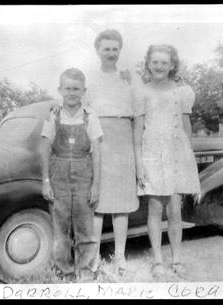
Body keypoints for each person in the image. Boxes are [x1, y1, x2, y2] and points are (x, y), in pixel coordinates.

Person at [133, 45, 201, 278]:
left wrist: (187, 161)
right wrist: (139, 164)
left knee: (174, 209)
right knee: (154, 207)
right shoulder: (141, 92)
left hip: (176, 154)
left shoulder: (182, 92)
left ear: (172, 65)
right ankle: (158, 261)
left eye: (164, 62)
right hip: (151, 153)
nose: (159, 66)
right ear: (148, 64)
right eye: (155, 62)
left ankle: (177, 259)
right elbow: (137, 129)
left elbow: (186, 127)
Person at [84, 29, 140, 275]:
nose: (111, 53)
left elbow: (138, 112)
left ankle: (119, 257)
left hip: (123, 138)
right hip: (99, 139)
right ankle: (94, 257)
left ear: (120, 51)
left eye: (115, 49)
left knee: (121, 204)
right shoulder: (90, 79)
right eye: (106, 49)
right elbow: (85, 113)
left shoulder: (129, 77)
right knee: (98, 202)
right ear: (97, 50)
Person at [41, 68, 103, 282]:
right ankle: (64, 271)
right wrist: (46, 181)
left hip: (83, 171)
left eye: (76, 89)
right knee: (60, 226)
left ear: (83, 91)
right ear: (60, 90)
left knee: (85, 224)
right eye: (67, 88)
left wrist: (96, 184)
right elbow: (44, 149)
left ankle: (85, 269)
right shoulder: (53, 115)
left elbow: (97, 150)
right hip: (57, 172)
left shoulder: (90, 115)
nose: (72, 93)